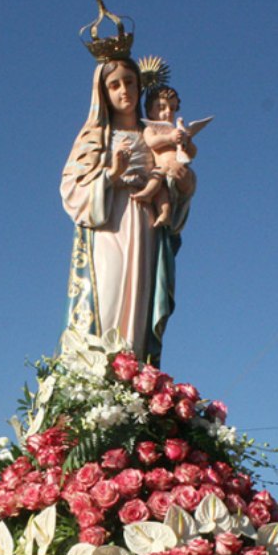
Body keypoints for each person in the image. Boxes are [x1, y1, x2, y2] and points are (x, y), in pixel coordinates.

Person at [61, 57, 195, 365]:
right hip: (108, 225)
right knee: (108, 294)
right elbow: (71, 189)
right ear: (103, 92)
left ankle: (134, 373)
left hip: (146, 225)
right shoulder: (95, 137)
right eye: (115, 84)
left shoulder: (153, 133)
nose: (125, 91)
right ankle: (103, 373)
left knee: (141, 302)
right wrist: (110, 174)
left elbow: (175, 179)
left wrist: (183, 184)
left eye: (130, 82)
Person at [139, 85, 197, 227]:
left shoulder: (177, 131)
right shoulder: (151, 129)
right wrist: (169, 138)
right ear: (150, 111)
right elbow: (152, 142)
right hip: (162, 168)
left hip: (177, 171)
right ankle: (160, 208)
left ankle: (164, 211)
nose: (168, 112)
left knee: (163, 185)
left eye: (172, 108)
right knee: (160, 191)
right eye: (161, 107)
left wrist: (187, 141)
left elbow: (193, 153)